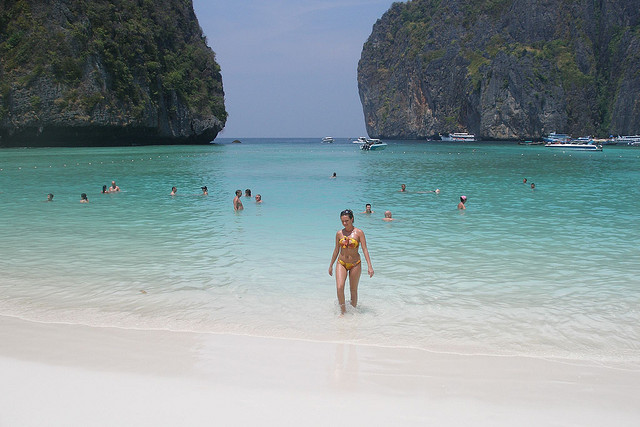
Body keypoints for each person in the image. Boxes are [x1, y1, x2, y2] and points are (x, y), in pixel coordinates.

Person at [328, 209, 374, 315]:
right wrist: (331, 265)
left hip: (355, 264)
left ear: (352, 219)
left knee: (353, 289)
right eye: (342, 221)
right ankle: (343, 312)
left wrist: (370, 266)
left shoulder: (359, 233)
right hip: (341, 262)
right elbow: (336, 250)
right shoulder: (339, 233)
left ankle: (353, 313)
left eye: (347, 221)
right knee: (340, 287)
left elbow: (365, 249)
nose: (344, 223)